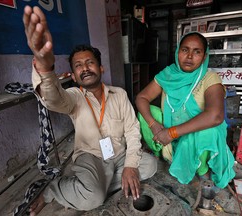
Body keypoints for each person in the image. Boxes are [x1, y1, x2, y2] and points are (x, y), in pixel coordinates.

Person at [23, 5, 157, 215]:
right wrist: (44, 66)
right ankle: (53, 190)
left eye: (90, 63)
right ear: (74, 77)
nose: (85, 68)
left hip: (119, 155)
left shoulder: (119, 94)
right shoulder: (74, 97)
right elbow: (52, 98)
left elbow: (132, 130)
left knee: (150, 165)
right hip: (91, 157)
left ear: (100, 68)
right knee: (92, 199)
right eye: (78, 66)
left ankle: (98, 186)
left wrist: (130, 165)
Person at [135, 32, 235, 189]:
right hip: (167, 132)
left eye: (197, 52)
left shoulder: (209, 78)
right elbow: (141, 98)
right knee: (146, 114)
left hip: (193, 133)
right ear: (177, 52)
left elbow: (215, 116)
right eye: (185, 50)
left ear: (204, 56)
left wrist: (172, 133)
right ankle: (165, 152)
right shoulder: (168, 74)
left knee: (208, 132)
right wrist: (154, 124)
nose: (189, 56)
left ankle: (202, 171)